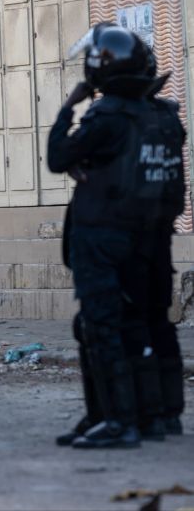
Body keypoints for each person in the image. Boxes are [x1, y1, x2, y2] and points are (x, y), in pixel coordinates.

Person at [49, 26, 183, 449]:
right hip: (151, 239)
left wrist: (69, 107)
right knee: (147, 324)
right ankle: (157, 416)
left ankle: (118, 421)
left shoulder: (105, 116)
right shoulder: (162, 116)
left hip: (103, 238)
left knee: (100, 325)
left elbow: (57, 157)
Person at [118, 48, 187, 440]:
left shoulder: (127, 121)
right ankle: (170, 413)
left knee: (135, 324)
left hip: (132, 239)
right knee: (161, 325)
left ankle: (150, 415)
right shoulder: (167, 119)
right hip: (161, 234)